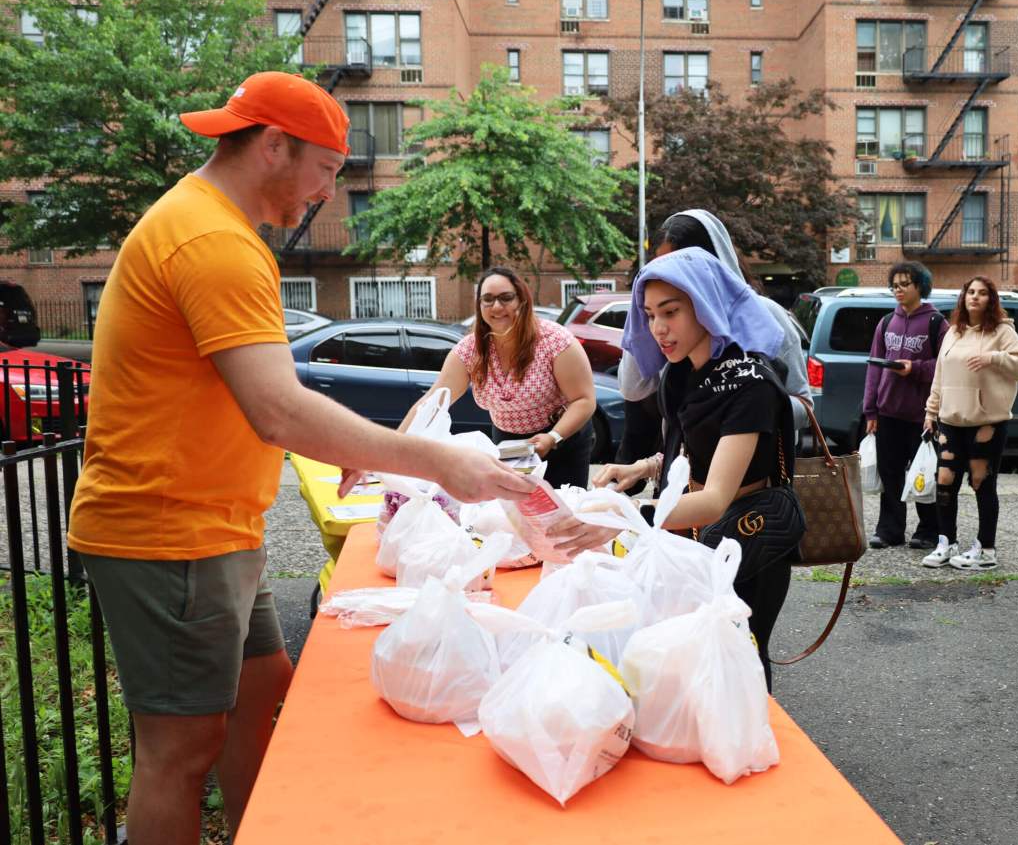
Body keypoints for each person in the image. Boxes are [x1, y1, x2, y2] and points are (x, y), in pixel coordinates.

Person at [66, 72, 533, 845]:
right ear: (274, 146)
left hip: (215, 527)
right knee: (178, 754)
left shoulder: (207, 225)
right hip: (169, 532)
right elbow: (278, 406)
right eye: (323, 169)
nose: (324, 194)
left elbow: (234, 395)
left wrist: (339, 443)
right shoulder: (213, 241)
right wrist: (435, 462)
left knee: (265, 695)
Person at [553, 248, 800, 690]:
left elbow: (716, 496)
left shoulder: (751, 384)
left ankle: (749, 745)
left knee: (740, 658)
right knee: (693, 660)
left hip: (747, 541)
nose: (658, 328)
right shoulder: (681, 374)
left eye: (671, 311)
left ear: (705, 305)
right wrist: (642, 468)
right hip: (693, 537)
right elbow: (697, 454)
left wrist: (626, 517)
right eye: (648, 314)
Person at [615, 210, 812, 472]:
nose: (664, 277)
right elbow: (633, 389)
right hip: (681, 474)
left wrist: (741, 410)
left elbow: (717, 497)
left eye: (671, 310)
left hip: (753, 479)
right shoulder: (668, 338)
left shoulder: (764, 323)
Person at [397, 266, 598, 488]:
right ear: (480, 306)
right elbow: (433, 403)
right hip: (508, 443)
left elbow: (584, 399)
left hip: (561, 438)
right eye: (488, 299)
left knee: (562, 512)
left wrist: (553, 437)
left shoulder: (554, 340)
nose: (497, 306)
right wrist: (395, 449)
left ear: (521, 300)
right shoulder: (470, 350)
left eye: (506, 298)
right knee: (512, 515)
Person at [920, 276, 1018, 571]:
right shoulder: (952, 332)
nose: (975, 297)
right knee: (944, 482)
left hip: (987, 421)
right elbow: (940, 377)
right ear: (963, 297)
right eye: (970, 292)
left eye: (982, 293)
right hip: (950, 419)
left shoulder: (1003, 331)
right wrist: (931, 412)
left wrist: (994, 357)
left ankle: (986, 548)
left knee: (981, 483)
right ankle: (946, 542)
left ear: (991, 299)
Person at [863, 261, 946, 550]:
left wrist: (915, 368)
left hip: (922, 416)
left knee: (925, 474)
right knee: (890, 475)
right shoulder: (886, 322)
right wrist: (870, 410)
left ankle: (929, 531)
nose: (897, 290)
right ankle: (889, 531)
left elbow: (946, 366)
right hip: (887, 413)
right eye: (894, 285)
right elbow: (873, 369)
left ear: (920, 286)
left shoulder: (936, 323)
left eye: (904, 284)